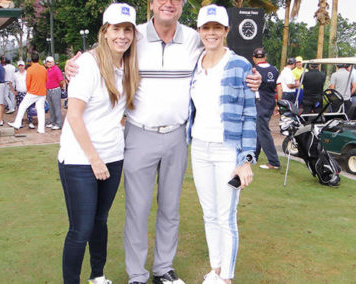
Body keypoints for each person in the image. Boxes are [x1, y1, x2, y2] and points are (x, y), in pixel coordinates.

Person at [65, 1, 261, 282]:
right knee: (137, 210)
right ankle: (136, 274)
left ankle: (163, 269)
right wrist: (72, 64)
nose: (168, 3)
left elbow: (224, 60)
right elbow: (104, 52)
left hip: (177, 136)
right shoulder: (134, 35)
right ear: (151, 4)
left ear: (182, 5)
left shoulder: (195, 38)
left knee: (170, 209)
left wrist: (252, 78)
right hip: (138, 133)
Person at [58, 3, 140, 284]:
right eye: (116, 29)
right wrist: (94, 158)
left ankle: (98, 276)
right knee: (80, 229)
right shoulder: (87, 65)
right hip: (81, 160)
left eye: (127, 30)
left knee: (100, 222)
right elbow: (73, 115)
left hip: (113, 156)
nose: (122, 35)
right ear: (105, 32)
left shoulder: (128, 65)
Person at [186, 5, 256, 283]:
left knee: (227, 216)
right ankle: (215, 269)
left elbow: (250, 114)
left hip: (227, 150)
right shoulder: (193, 62)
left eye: (217, 28)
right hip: (199, 147)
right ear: (199, 31)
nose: (211, 33)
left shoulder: (240, 65)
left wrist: (245, 160)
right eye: (206, 28)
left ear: (226, 31)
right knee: (209, 213)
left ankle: (226, 277)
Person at [252, 47, 281, 170]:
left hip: (259, 103)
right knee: (260, 129)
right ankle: (254, 156)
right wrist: (278, 104)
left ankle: (274, 162)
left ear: (254, 58)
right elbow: (279, 87)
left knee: (263, 131)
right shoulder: (274, 69)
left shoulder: (254, 70)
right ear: (265, 57)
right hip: (269, 103)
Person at [8, 52, 47, 133]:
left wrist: (29, 90)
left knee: (22, 106)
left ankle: (17, 123)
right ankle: (41, 129)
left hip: (32, 92)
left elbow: (27, 82)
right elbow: (46, 80)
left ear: (31, 61)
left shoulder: (30, 69)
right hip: (42, 92)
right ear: (39, 60)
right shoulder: (43, 68)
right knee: (40, 110)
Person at [11, 60, 35, 129]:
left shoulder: (27, 73)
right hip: (19, 92)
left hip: (27, 92)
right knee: (19, 107)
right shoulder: (15, 74)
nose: (21, 67)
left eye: (22, 66)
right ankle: (19, 122)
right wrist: (13, 91)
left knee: (29, 108)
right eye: (20, 66)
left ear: (24, 66)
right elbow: (10, 82)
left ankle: (30, 122)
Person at [45, 56, 65, 130]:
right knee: (51, 108)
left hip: (55, 90)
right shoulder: (47, 70)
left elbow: (61, 81)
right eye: (47, 62)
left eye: (50, 62)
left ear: (53, 62)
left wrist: (58, 87)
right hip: (49, 90)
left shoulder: (56, 69)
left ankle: (58, 123)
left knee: (57, 107)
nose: (49, 63)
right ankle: (53, 122)